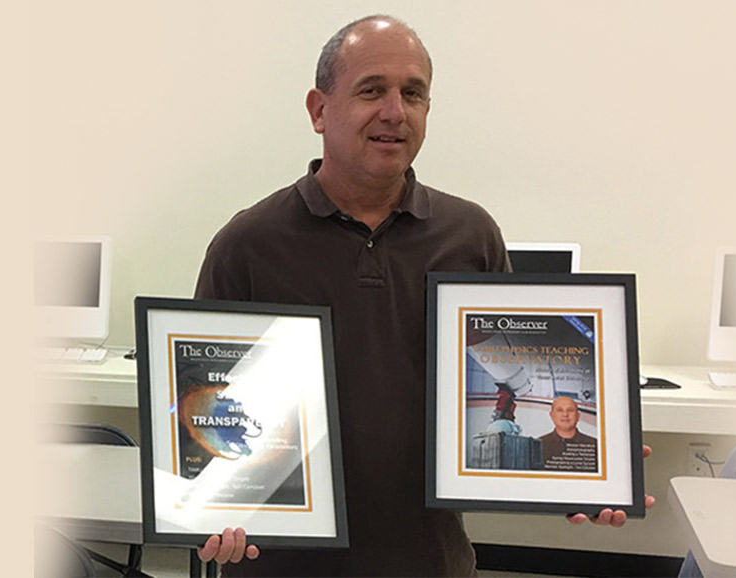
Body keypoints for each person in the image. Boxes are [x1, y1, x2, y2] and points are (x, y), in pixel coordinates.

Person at [192, 15, 652, 576]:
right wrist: (207, 509)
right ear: (318, 110)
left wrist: (588, 472)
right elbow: (209, 414)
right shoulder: (248, 244)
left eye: (413, 93)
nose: (394, 111)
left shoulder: (471, 235)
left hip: (432, 562)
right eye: (371, 90)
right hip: (284, 565)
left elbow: (509, 380)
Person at [539, 396, 599, 472]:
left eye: (570, 410)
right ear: (552, 415)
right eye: (560, 410)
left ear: (578, 416)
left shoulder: (595, 445)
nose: (565, 414)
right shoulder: (538, 445)